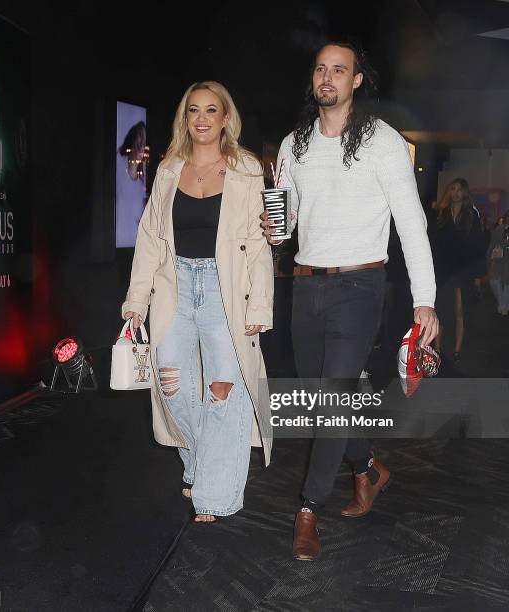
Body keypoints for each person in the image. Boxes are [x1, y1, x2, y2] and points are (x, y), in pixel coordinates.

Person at [261, 40, 438, 560]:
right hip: (306, 284)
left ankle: (309, 509)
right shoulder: (295, 144)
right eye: (321, 68)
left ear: (357, 80)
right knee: (325, 403)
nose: (328, 77)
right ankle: (368, 468)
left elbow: (411, 223)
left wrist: (424, 301)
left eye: (340, 69)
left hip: (360, 286)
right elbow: (286, 225)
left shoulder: (382, 142)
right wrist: (276, 226)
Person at [122, 81, 274, 522]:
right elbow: (149, 238)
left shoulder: (246, 169)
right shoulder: (169, 168)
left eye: (212, 110)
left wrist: (259, 306)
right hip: (176, 288)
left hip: (226, 289)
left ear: (226, 117)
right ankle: (201, 464)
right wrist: (136, 300)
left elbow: (258, 244)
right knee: (170, 384)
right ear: (185, 118)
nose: (202, 119)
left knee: (223, 391)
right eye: (194, 110)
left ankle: (214, 495)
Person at [431, 178, 486, 360]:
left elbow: (478, 245)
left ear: (465, 193)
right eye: (452, 188)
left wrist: (478, 274)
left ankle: (457, 349)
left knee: (460, 310)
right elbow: (435, 244)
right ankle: (438, 348)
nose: (455, 193)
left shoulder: (471, 215)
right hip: (444, 269)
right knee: (441, 308)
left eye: (459, 189)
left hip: (463, 269)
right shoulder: (442, 214)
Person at [116, 121, 148, 247]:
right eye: (138, 143)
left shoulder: (142, 180)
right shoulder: (118, 165)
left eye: (143, 144)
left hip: (135, 244)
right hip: (118, 242)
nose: (140, 148)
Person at [488, 212, 509, 315]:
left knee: (507, 283)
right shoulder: (499, 229)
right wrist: (490, 258)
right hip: (499, 258)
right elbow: (493, 243)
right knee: (494, 281)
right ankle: (502, 304)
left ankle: (504, 306)